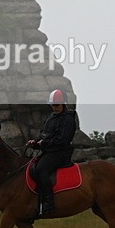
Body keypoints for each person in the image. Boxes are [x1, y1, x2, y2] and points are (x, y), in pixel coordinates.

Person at [27, 89, 77, 218]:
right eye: (53, 105)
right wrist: (35, 142)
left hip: (60, 153)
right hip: (50, 151)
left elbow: (62, 140)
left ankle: (49, 202)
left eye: (57, 105)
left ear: (63, 104)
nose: (54, 108)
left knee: (40, 170)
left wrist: (43, 143)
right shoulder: (51, 117)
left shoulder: (68, 119)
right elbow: (44, 134)